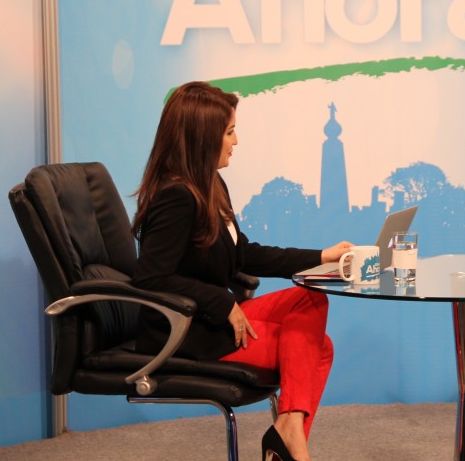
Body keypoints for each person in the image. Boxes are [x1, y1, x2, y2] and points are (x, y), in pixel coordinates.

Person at [131, 81, 352, 461]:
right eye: (230, 132)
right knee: (320, 349)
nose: (236, 141)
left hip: (210, 316)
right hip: (187, 331)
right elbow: (150, 278)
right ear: (203, 137)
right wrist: (221, 303)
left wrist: (322, 256)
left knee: (311, 297)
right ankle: (290, 444)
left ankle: (287, 435)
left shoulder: (210, 183)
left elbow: (243, 253)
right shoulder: (176, 196)